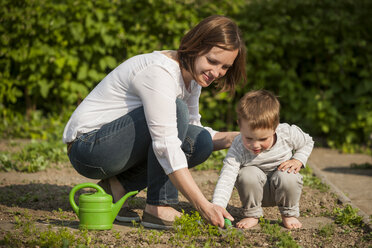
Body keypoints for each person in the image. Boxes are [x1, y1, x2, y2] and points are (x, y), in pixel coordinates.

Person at [63, 15, 246, 229]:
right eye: (212, 61)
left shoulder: (192, 78)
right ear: (196, 47)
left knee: (201, 141)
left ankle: (116, 188)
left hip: (114, 147)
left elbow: (191, 131)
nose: (216, 73)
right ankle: (159, 207)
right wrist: (203, 205)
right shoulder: (160, 72)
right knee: (176, 111)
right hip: (89, 147)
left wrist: (239, 137)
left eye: (225, 67)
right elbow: (166, 144)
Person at [212, 89, 314, 229]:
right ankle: (252, 214)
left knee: (289, 176)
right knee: (247, 173)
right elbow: (227, 175)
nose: (255, 145)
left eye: (262, 139)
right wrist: (218, 205)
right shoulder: (238, 146)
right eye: (248, 138)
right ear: (240, 126)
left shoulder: (287, 133)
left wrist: (298, 160)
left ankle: (288, 213)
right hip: (254, 191)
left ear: (275, 127)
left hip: (281, 186)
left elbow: (308, 141)